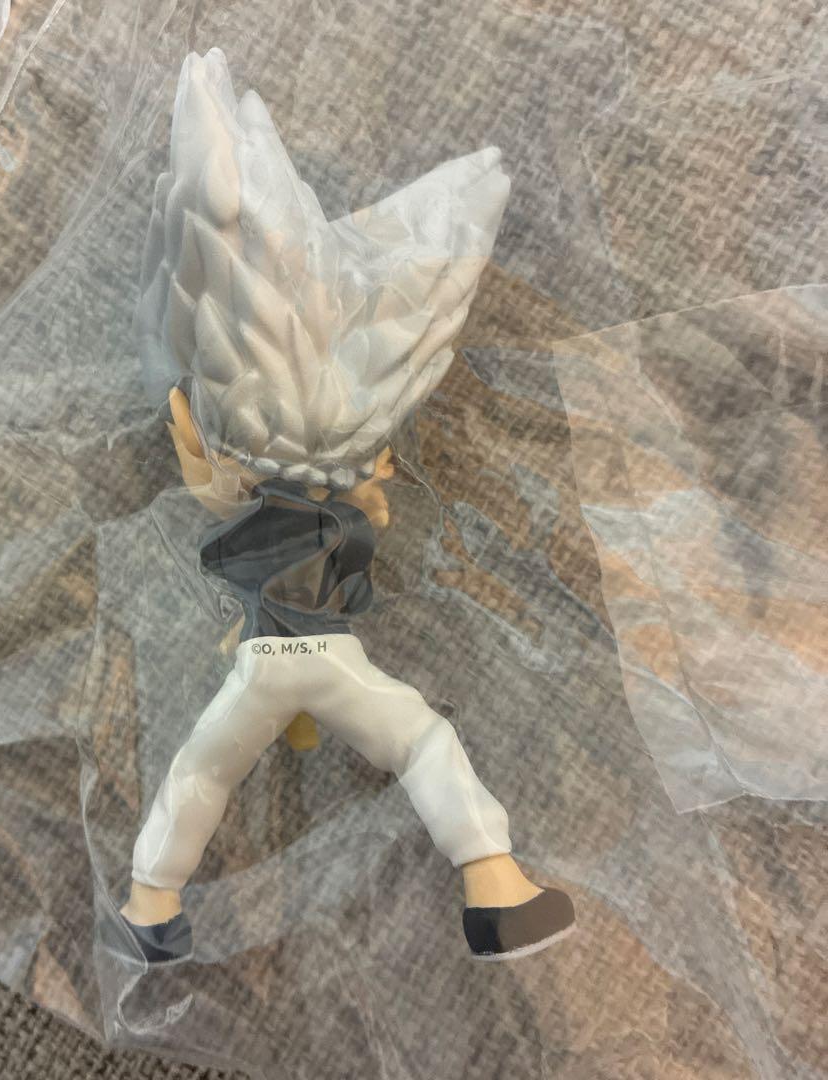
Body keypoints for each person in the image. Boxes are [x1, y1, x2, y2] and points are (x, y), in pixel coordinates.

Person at [118, 49, 575, 964]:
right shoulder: (335, 517)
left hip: (268, 666)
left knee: (204, 768)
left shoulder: (263, 513)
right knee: (423, 743)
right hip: (325, 661)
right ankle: (494, 885)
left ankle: (149, 902)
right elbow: (346, 568)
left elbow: (258, 563)